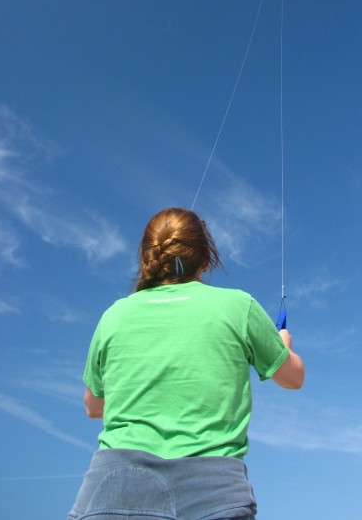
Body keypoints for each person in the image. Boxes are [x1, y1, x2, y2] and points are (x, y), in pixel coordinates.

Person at [68, 207, 305, 520]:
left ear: (147, 259)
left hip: (112, 488)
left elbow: (93, 407)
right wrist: (283, 347)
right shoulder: (239, 306)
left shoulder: (113, 316)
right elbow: (293, 378)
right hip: (214, 493)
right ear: (206, 260)